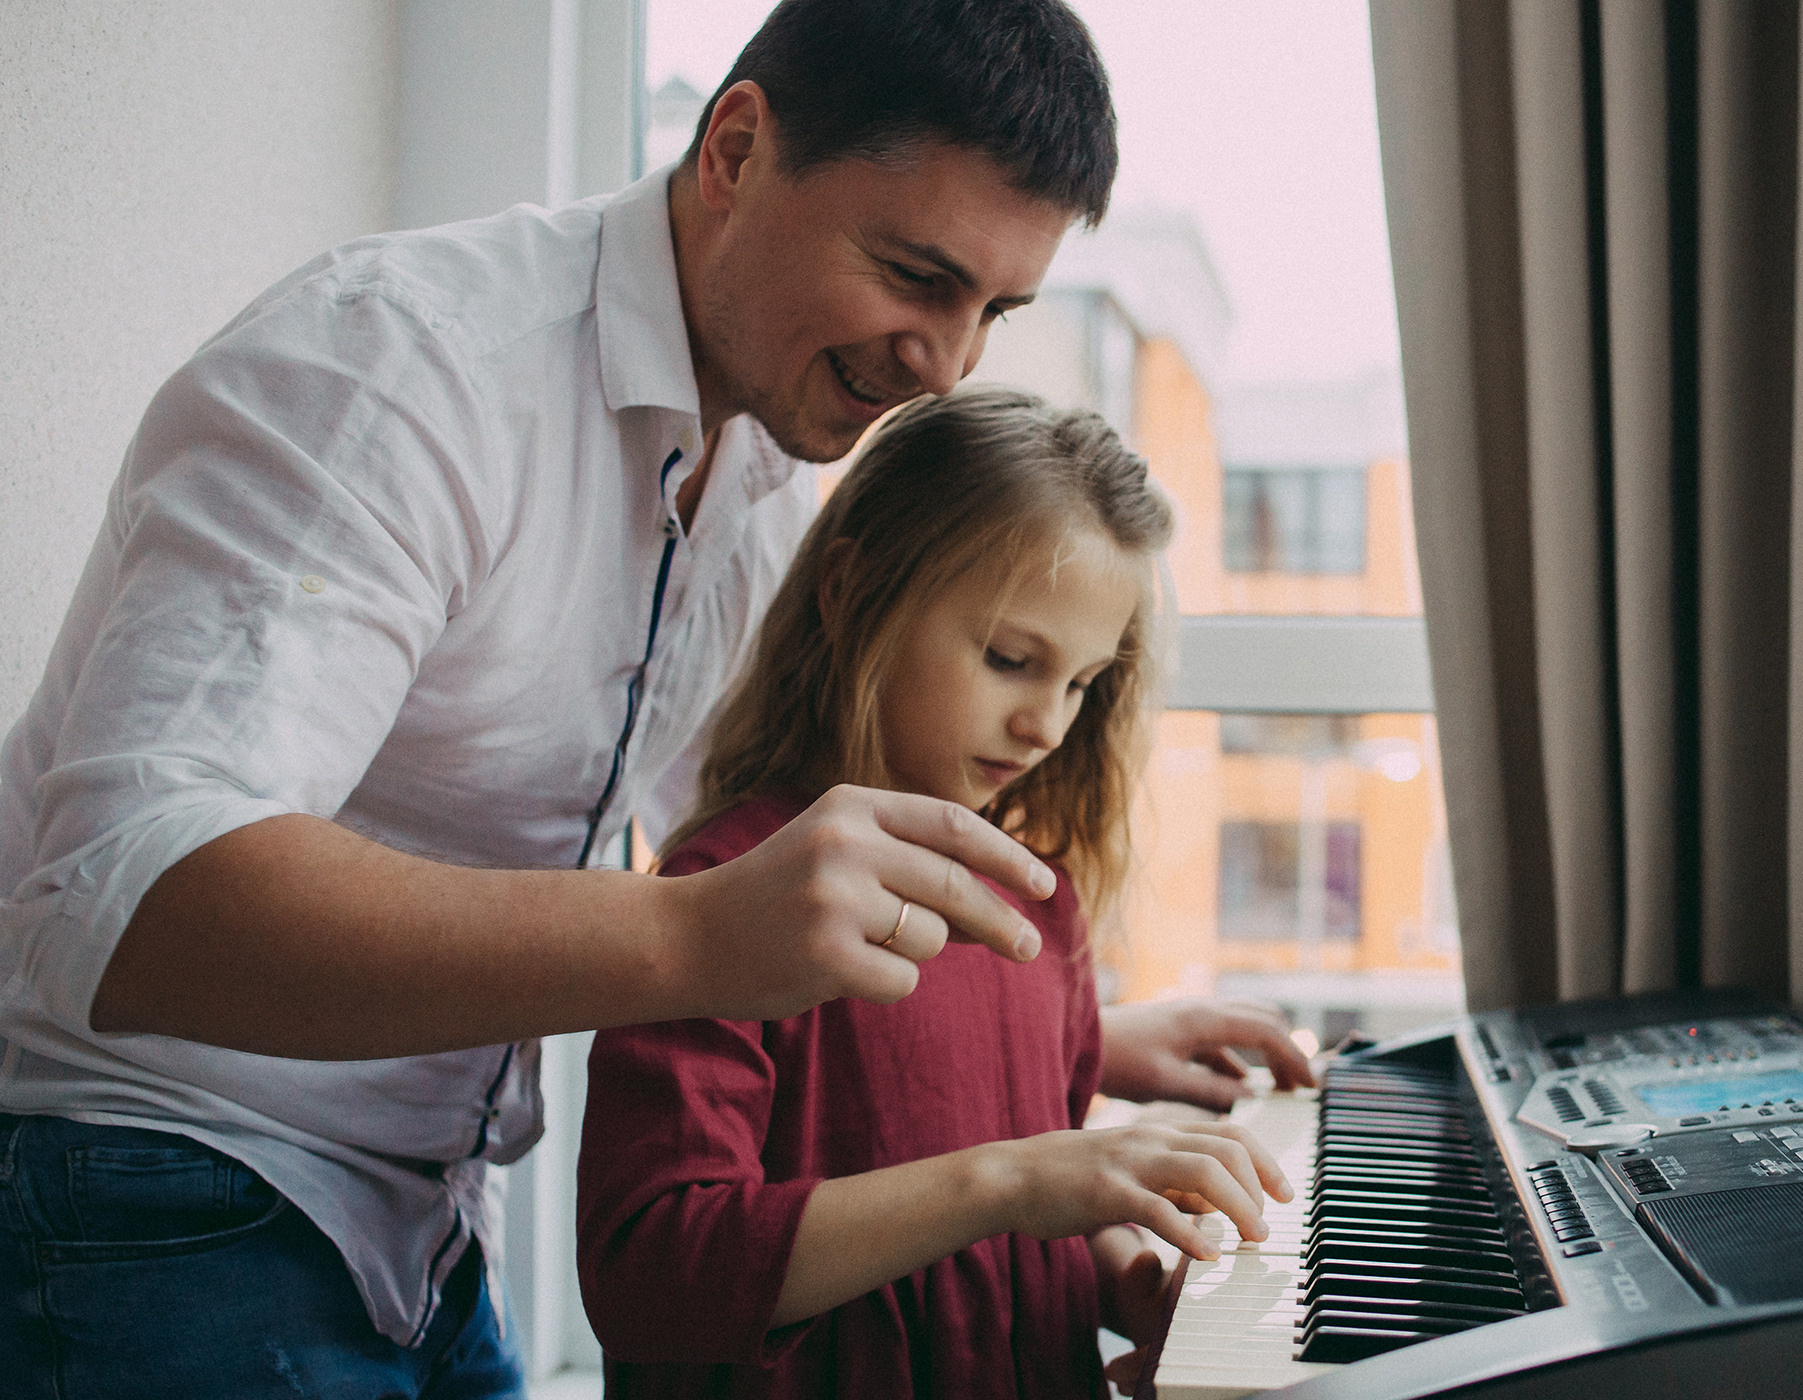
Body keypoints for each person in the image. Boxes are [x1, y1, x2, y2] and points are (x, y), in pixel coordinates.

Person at [0, 0, 1307, 1394]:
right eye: (913, 274)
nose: (947, 364)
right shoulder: (398, 369)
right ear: (736, 149)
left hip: (424, 1233)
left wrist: (1068, 1037)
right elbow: (123, 902)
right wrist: (688, 930)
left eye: (993, 309)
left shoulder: (751, 484)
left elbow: (776, 892)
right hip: (156, 1190)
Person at [578, 387, 1291, 1400]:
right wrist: (1015, 1174)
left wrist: (1134, 1281)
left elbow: (1022, 1229)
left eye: (1084, 681)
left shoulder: (1040, 912)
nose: (1048, 722)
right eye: (1011, 658)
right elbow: (651, 1271)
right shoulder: (731, 897)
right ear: (851, 589)